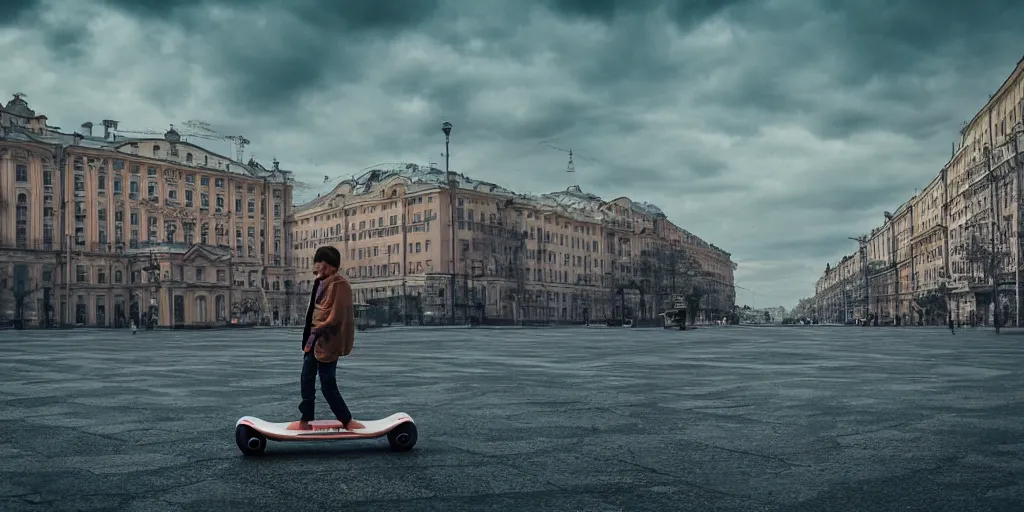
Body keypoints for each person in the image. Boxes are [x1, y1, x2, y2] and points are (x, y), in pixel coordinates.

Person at [288, 246, 366, 431]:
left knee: (327, 383)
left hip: (328, 341)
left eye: (321, 262)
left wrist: (320, 327)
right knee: (306, 380)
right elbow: (312, 311)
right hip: (313, 340)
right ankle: (305, 419)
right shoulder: (319, 282)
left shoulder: (340, 284)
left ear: (330, 265)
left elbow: (336, 316)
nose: (317, 266)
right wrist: (311, 333)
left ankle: (346, 419)